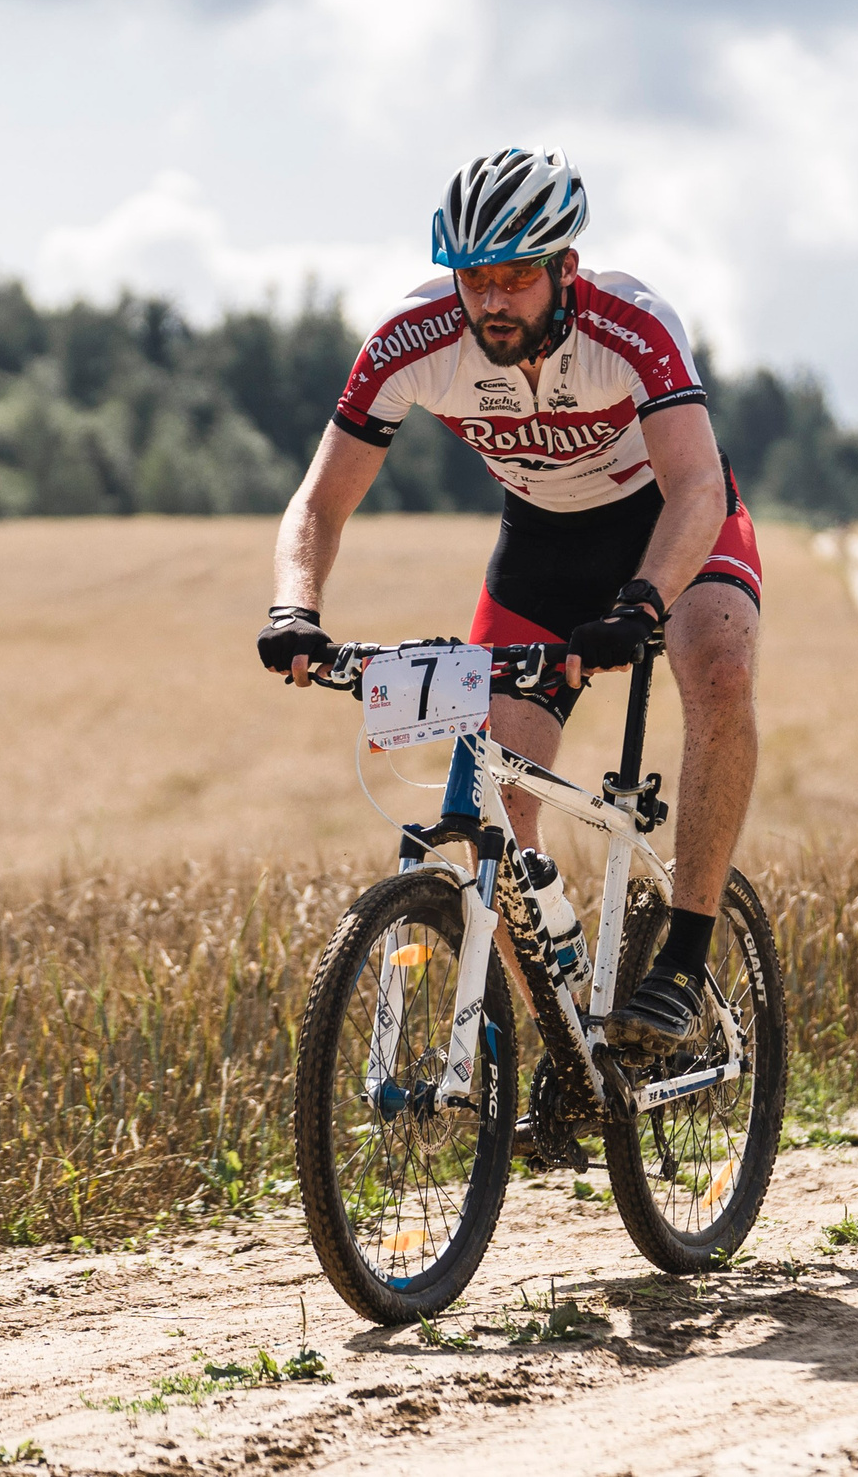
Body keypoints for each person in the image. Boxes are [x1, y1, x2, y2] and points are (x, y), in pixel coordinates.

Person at [258, 147, 762, 1055]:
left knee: (720, 664)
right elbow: (320, 499)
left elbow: (696, 490)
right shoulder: (412, 340)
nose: (490, 301)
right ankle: (564, 1048)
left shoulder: (632, 326)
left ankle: (685, 957)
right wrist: (296, 607)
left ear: (566, 267)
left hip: (668, 522)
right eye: (474, 278)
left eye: (515, 276)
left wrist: (645, 601)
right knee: (496, 796)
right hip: (543, 543)